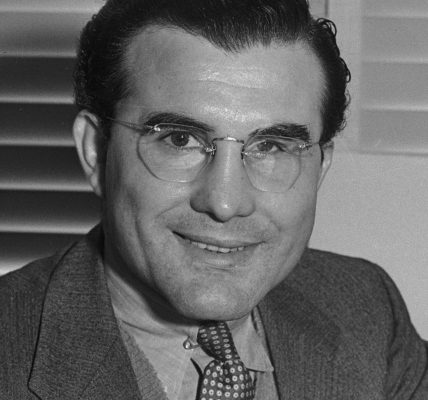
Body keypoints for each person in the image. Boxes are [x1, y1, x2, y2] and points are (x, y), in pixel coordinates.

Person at [1, 0, 427, 399]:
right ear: (96, 151)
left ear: (321, 168)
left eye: (271, 146)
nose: (225, 203)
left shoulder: (366, 307)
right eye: (180, 140)